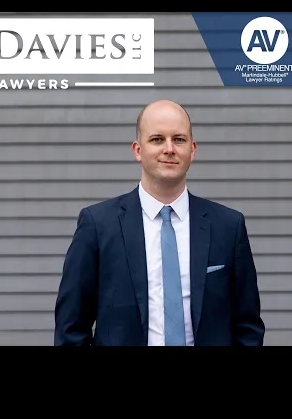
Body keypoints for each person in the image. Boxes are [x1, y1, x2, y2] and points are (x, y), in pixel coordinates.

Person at [54, 99, 265, 346]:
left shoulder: (228, 227)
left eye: (179, 139)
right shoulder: (98, 226)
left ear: (192, 150)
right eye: (157, 139)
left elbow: (248, 328)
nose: (169, 149)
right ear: (137, 150)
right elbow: (71, 329)